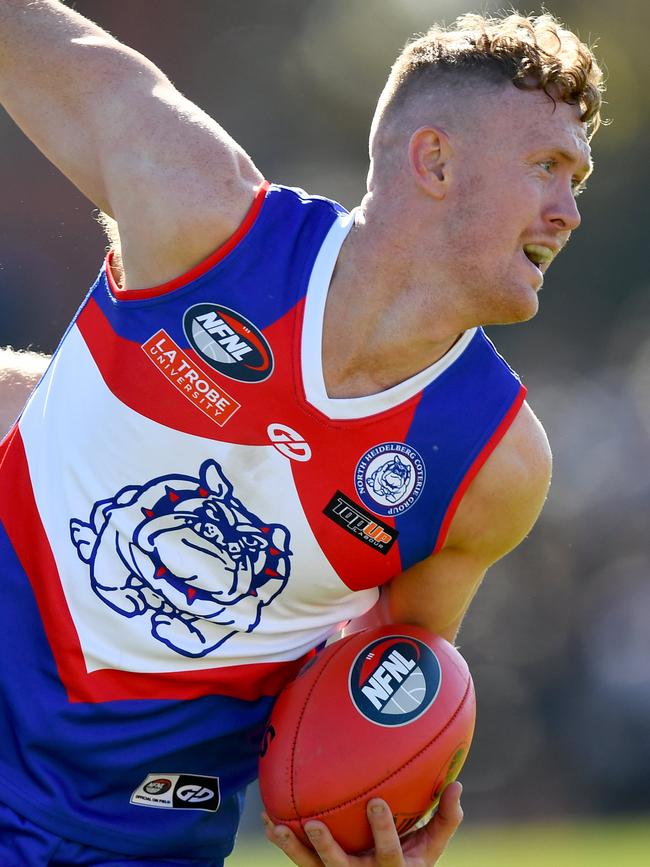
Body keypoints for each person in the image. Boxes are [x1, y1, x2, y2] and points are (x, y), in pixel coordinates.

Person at [0, 3, 603, 866]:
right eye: (547, 167)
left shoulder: (492, 466)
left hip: (138, 841)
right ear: (433, 158)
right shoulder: (198, 212)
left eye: (575, 180)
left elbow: (383, 682)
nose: (568, 211)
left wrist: (374, 808)